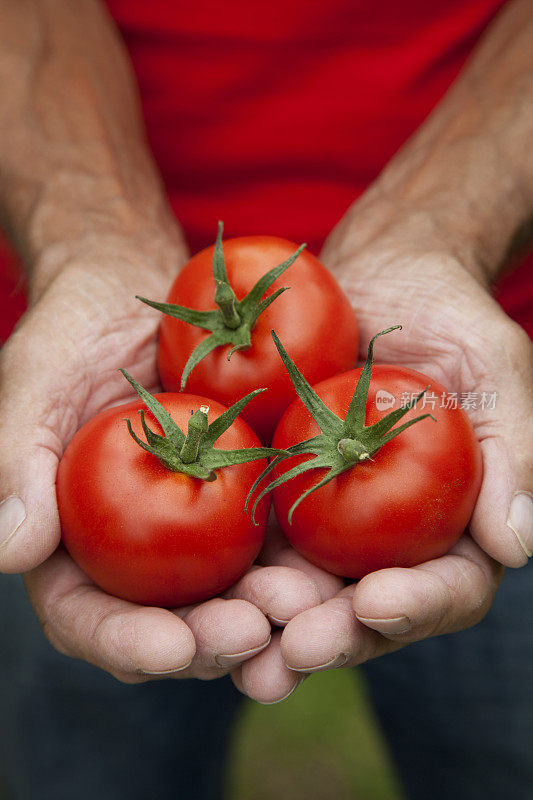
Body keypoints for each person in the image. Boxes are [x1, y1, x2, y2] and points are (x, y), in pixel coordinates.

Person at [0, 0, 531, 798]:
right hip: (84, 379)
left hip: (486, 371)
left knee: (503, 753)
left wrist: (443, 222)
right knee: (90, 764)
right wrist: (85, 231)